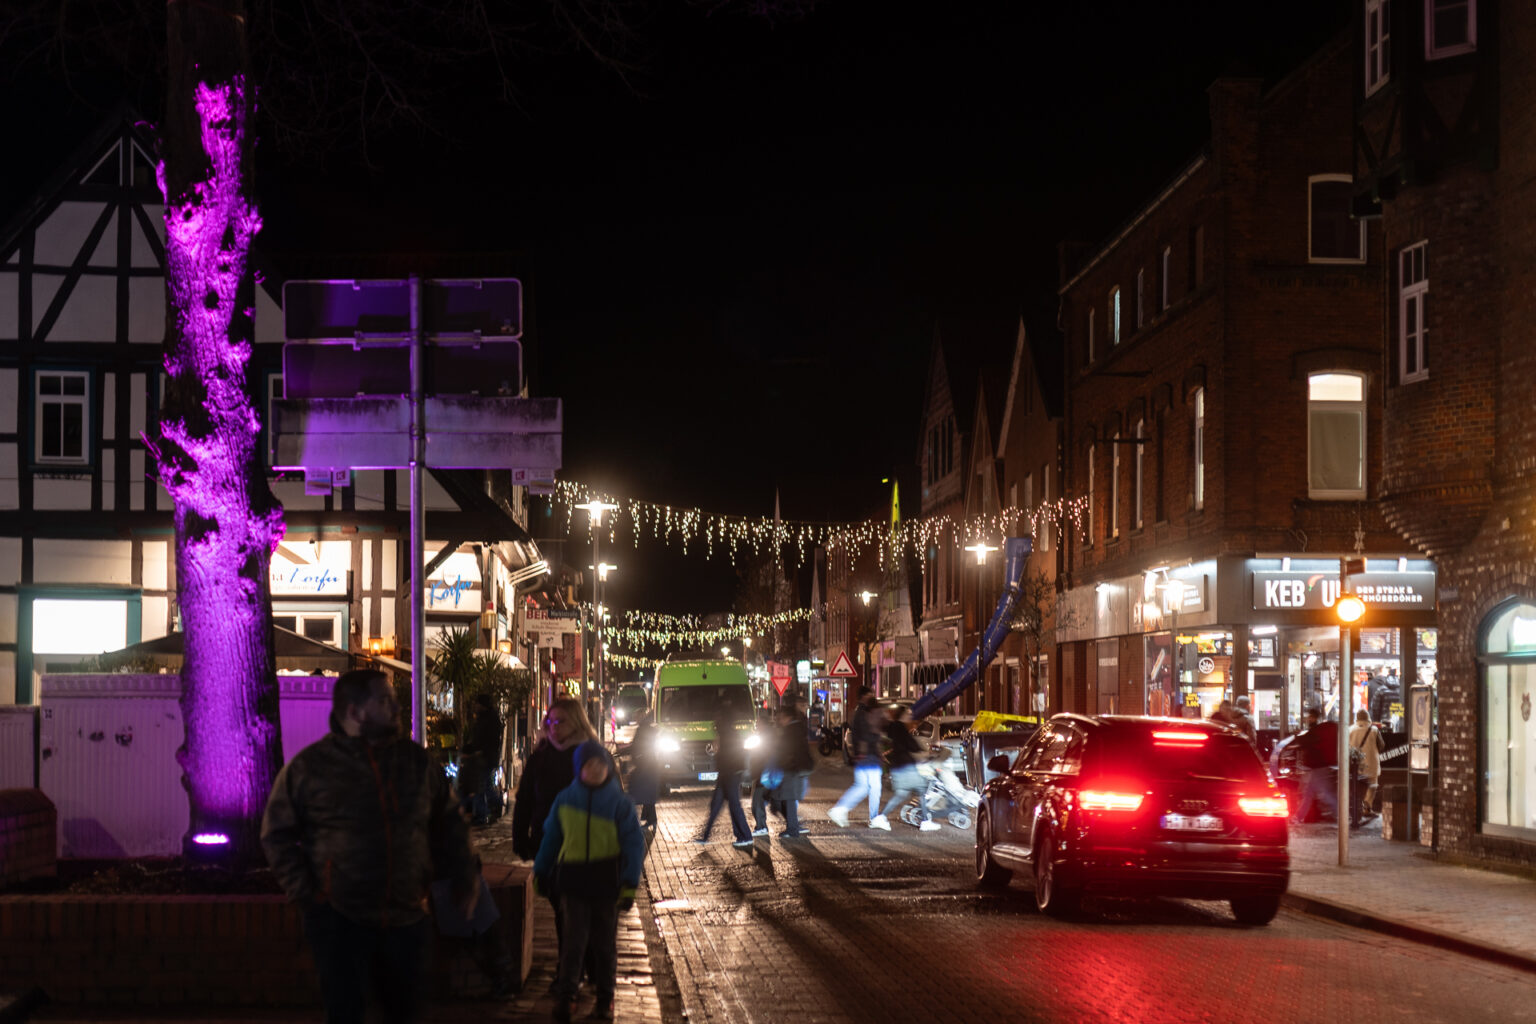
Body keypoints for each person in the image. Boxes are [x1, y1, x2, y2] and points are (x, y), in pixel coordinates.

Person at [261, 669, 481, 1024]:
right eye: (384, 700)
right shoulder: (312, 768)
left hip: (407, 919)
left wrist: (463, 876)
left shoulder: (415, 762)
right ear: (354, 711)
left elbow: (449, 822)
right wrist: (309, 895)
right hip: (341, 921)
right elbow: (277, 833)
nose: (396, 707)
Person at [534, 741, 645, 1024]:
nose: (595, 769)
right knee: (573, 944)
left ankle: (605, 1000)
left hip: (606, 883)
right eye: (589, 765)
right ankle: (567, 996)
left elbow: (633, 844)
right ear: (578, 768)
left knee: (605, 946)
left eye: (600, 764)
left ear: (608, 767)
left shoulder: (619, 803)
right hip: (573, 883)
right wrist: (542, 871)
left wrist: (629, 882)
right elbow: (551, 839)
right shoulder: (565, 800)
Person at [511, 697, 600, 981]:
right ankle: (583, 962)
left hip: (584, 845)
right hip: (547, 844)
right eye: (550, 721)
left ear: (577, 722)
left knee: (570, 908)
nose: (554, 727)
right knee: (562, 906)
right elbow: (525, 800)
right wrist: (520, 838)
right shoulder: (540, 758)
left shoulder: (591, 757)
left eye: (561, 721)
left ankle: (570, 970)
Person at [694, 699, 753, 848]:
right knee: (716, 805)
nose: (715, 719)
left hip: (730, 773)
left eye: (717, 716)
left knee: (734, 805)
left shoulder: (728, 733)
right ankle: (705, 836)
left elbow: (730, 755)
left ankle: (745, 836)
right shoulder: (724, 733)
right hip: (726, 773)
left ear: (723, 718)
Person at [829, 688, 887, 828]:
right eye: (869, 694)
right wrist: (874, 740)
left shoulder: (859, 712)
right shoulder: (863, 713)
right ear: (864, 696)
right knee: (873, 788)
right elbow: (865, 735)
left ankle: (841, 809)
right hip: (868, 756)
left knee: (864, 787)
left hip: (865, 756)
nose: (871, 697)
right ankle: (872, 817)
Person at [877, 707, 939, 831]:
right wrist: (922, 751)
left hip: (898, 766)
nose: (910, 717)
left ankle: (881, 817)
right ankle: (925, 821)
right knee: (922, 789)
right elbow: (911, 745)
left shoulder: (894, 728)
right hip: (906, 766)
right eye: (908, 714)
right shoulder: (901, 728)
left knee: (901, 794)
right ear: (903, 715)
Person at [460, 692, 504, 826]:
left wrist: (478, 751)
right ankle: (484, 811)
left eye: (477, 703)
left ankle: (485, 812)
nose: (475, 706)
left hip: (486, 758)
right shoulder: (484, 718)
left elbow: (488, 740)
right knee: (483, 786)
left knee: (482, 787)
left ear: (482, 705)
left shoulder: (489, 720)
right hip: (483, 757)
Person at [773, 701, 815, 838]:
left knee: (789, 798)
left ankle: (793, 829)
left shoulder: (791, 731)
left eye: (781, 717)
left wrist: (782, 763)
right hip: (795, 767)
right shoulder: (796, 728)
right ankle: (794, 825)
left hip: (792, 768)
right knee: (788, 798)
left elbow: (788, 751)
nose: (780, 720)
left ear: (788, 717)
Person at [1349, 708, 1385, 820]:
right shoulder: (1374, 730)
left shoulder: (1350, 730)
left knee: (1357, 787)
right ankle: (1367, 808)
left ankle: (1356, 808)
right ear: (1368, 718)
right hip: (1371, 763)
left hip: (1356, 764)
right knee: (1372, 786)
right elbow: (1381, 746)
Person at [626, 709, 660, 828]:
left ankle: (642, 819)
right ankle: (651, 819)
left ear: (641, 717)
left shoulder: (643, 729)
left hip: (645, 765)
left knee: (638, 792)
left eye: (636, 717)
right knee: (647, 793)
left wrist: (625, 751)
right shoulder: (647, 728)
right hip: (647, 764)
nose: (635, 719)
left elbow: (637, 746)